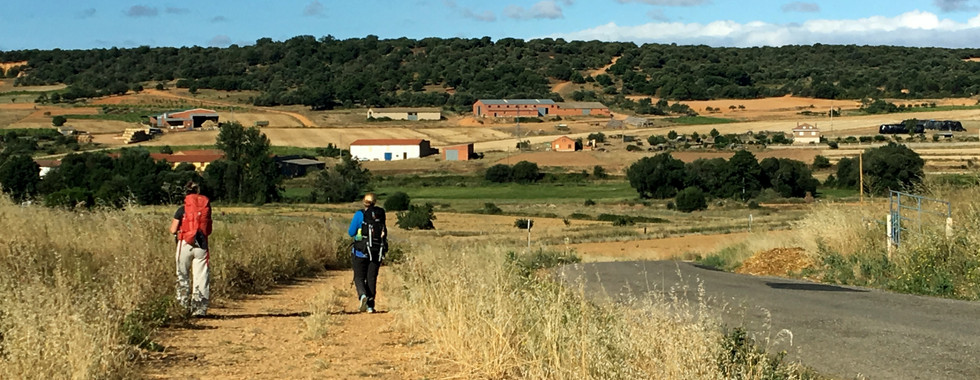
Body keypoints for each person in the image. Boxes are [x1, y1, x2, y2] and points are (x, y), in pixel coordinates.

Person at [169, 181, 213, 317]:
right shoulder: (206, 207)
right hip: (201, 243)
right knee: (201, 276)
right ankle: (199, 309)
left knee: (182, 275)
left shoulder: (182, 209)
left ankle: (182, 306)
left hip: (184, 243)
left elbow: (173, 230)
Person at [348, 193, 387, 313]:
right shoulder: (380, 214)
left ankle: (362, 295)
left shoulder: (359, 214)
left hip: (361, 251)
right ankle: (370, 305)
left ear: (363, 201)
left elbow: (351, 232)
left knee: (359, 277)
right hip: (376, 251)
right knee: (371, 278)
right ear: (375, 202)